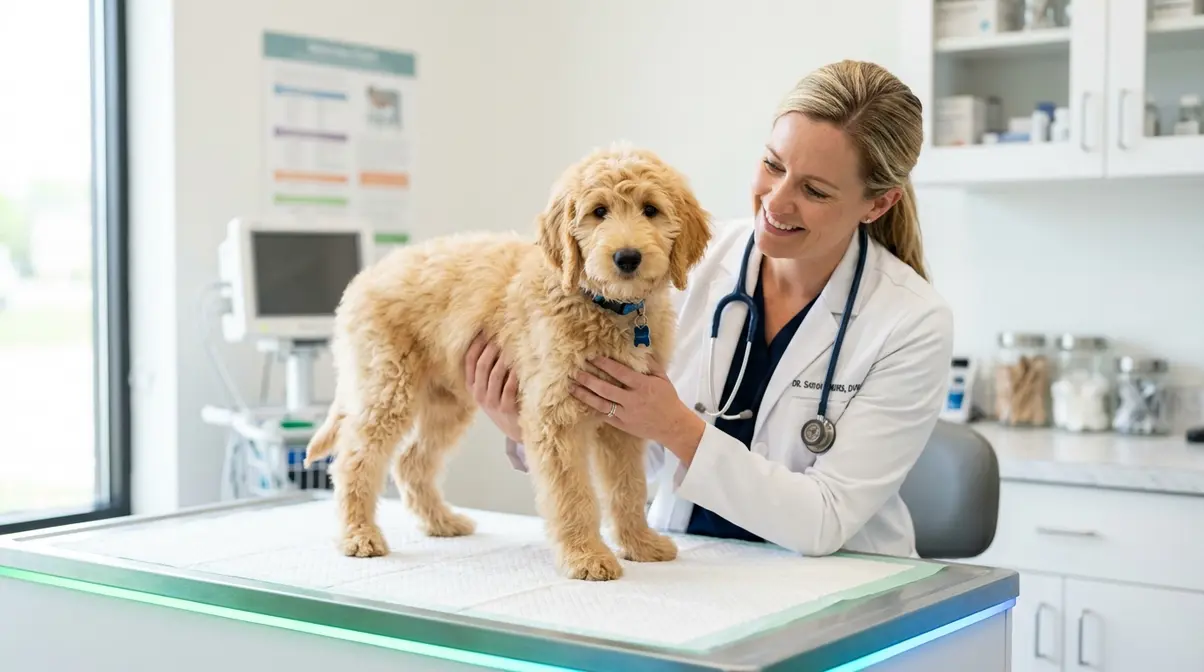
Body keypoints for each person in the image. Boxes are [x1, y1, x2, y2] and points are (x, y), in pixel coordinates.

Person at [464, 59, 954, 559]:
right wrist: (524, 426)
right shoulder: (682, 260)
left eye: (814, 190)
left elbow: (824, 521)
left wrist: (677, 425)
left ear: (877, 205)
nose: (776, 202)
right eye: (773, 165)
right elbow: (645, 451)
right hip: (694, 566)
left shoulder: (912, 322)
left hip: (840, 583)